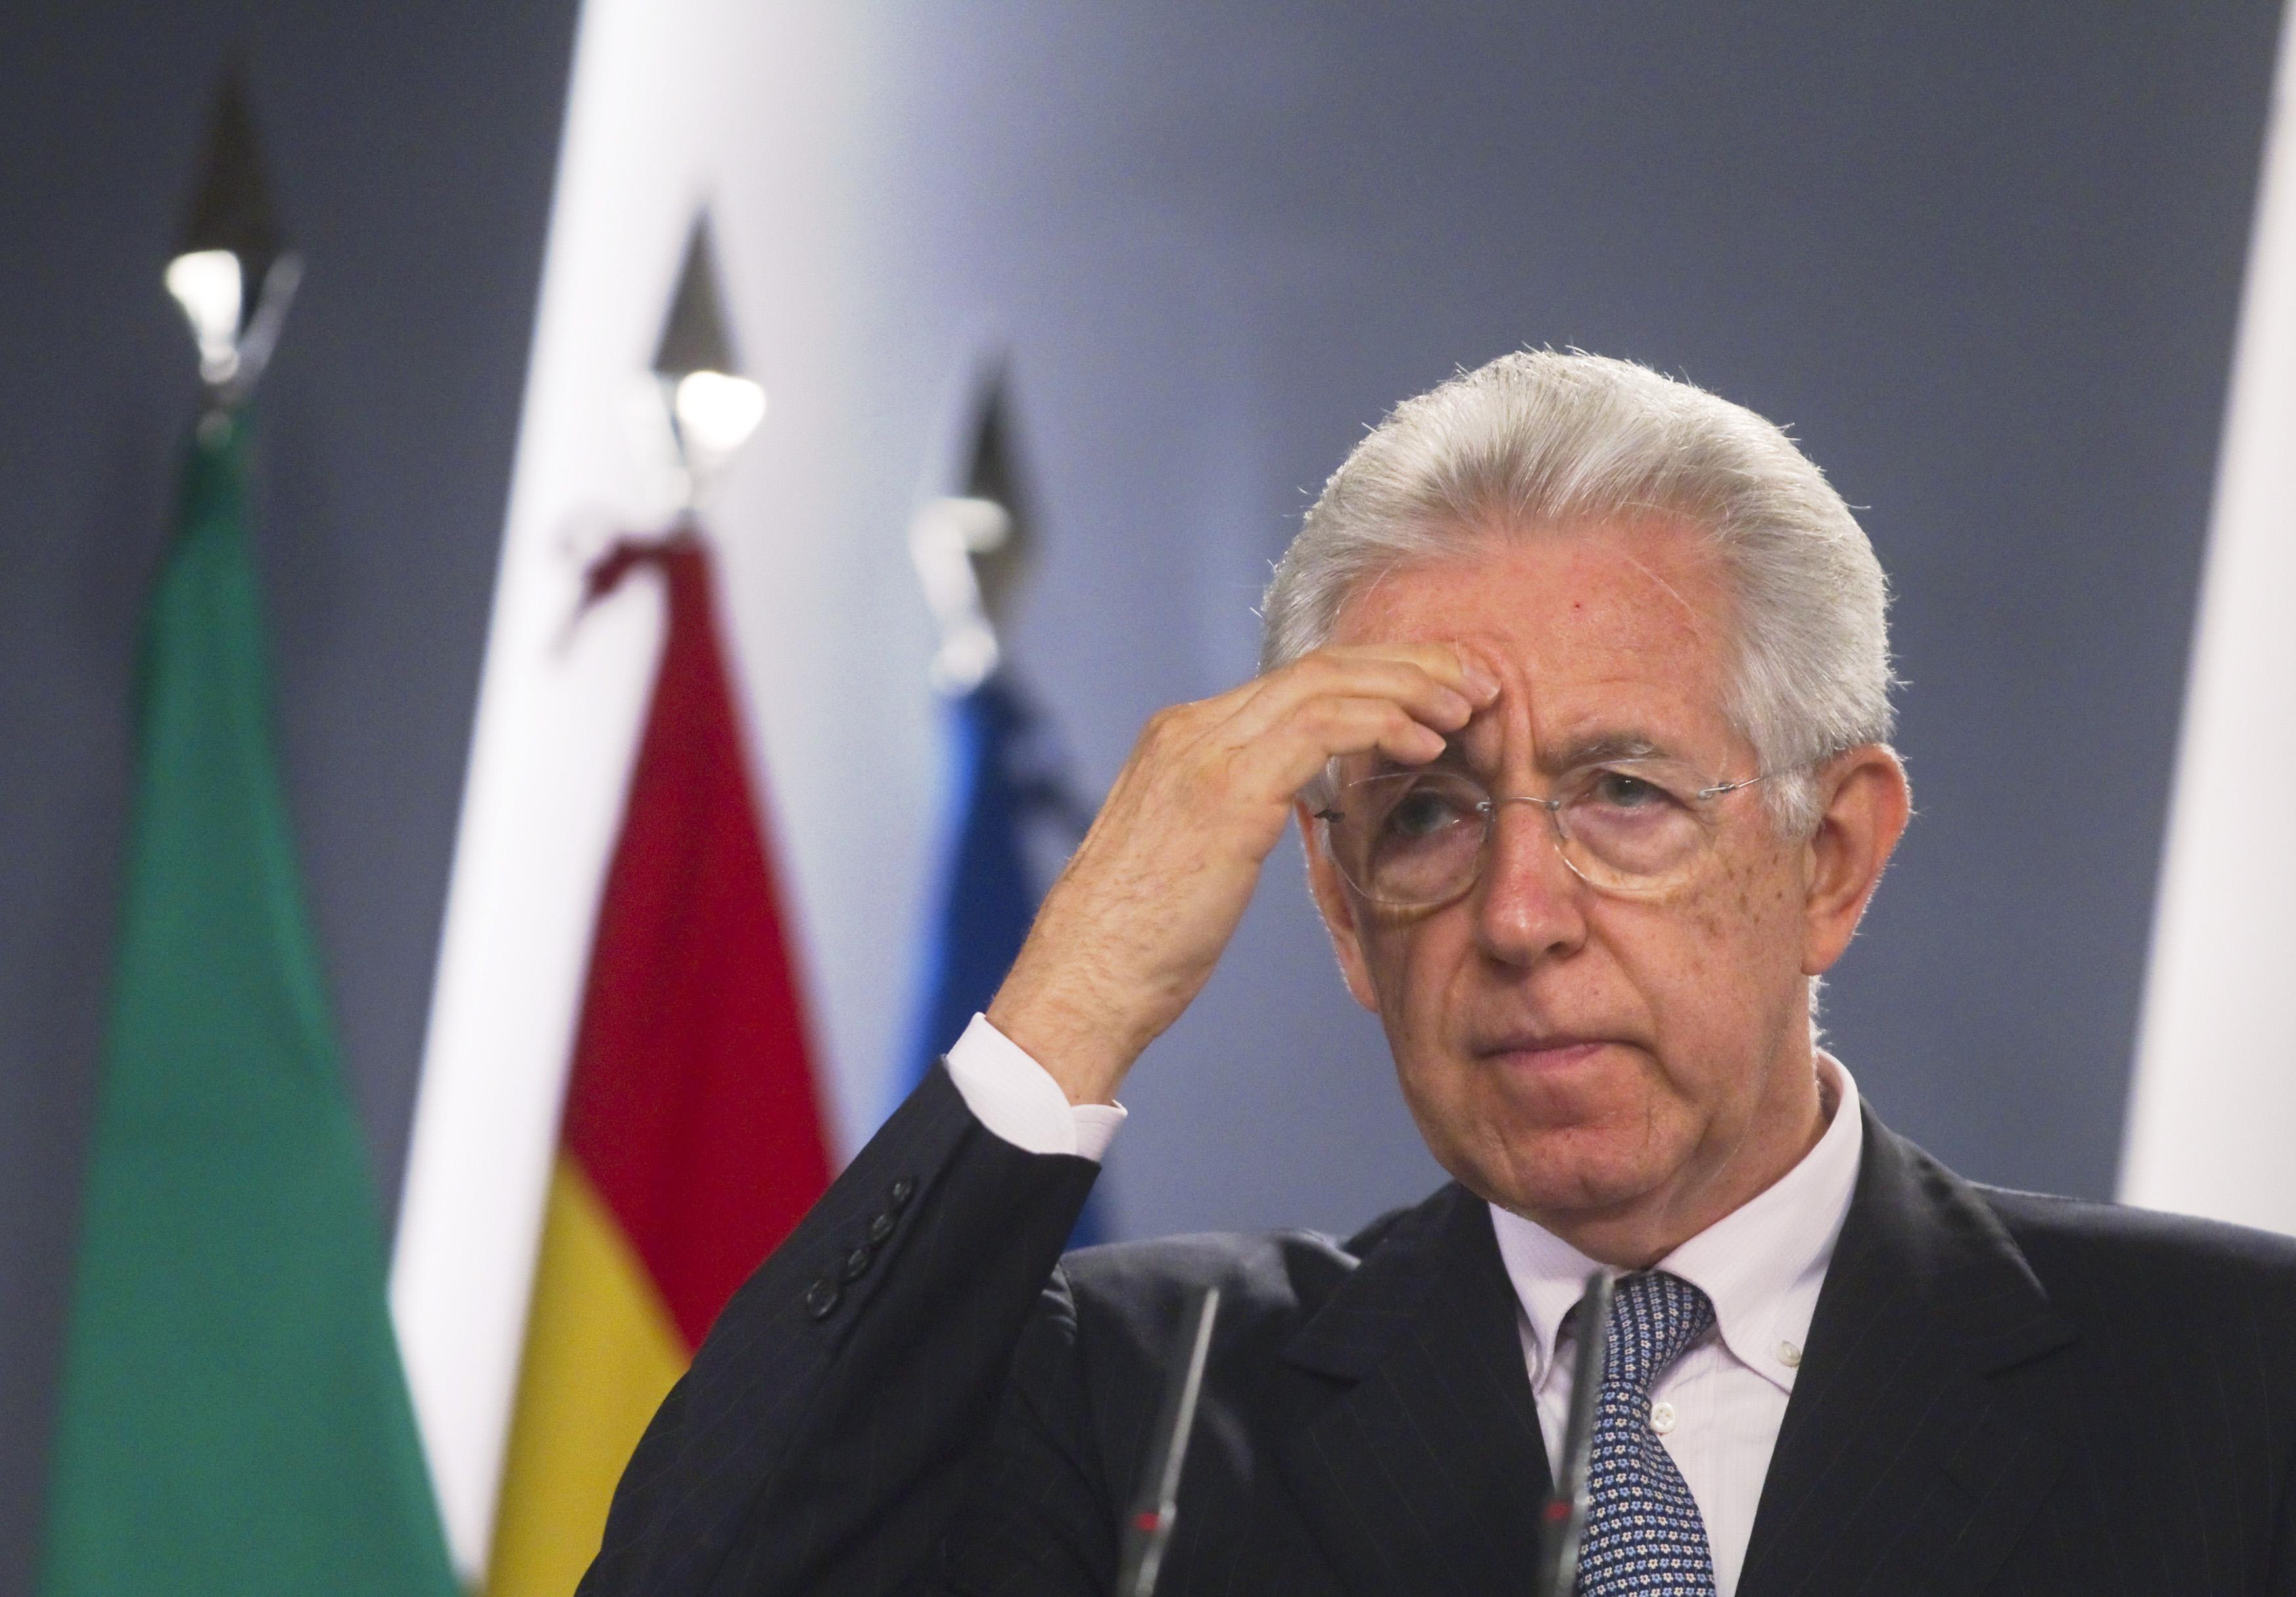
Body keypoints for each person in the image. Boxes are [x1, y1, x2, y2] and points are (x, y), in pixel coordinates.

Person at [577, 352, 2296, 1596]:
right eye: (1423, 816)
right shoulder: (1132, 1397)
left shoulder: (2236, 1383)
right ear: (1340, 911)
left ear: (1830, 855)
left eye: (1622, 793)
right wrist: (1069, 1003)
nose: (1518, 913)